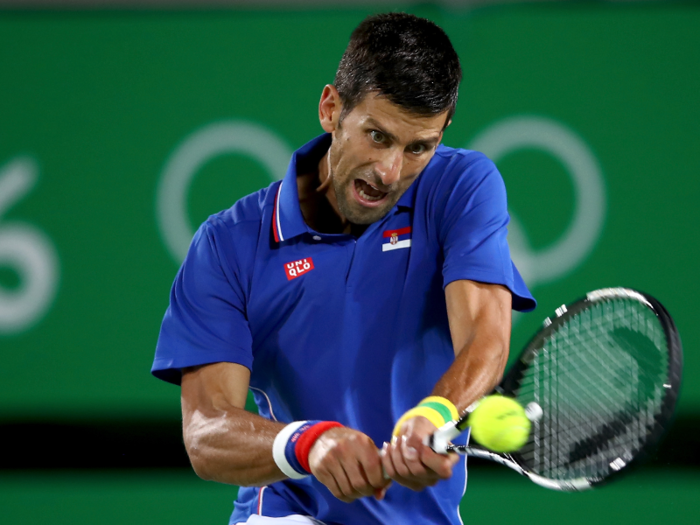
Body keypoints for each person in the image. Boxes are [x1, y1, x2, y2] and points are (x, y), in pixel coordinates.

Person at [152, 12, 535, 525]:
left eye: (419, 147)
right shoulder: (227, 244)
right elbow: (205, 431)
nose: (390, 171)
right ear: (331, 109)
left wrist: (434, 413)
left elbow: (485, 338)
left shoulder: (461, 187)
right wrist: (308, 443)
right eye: (377, 136)